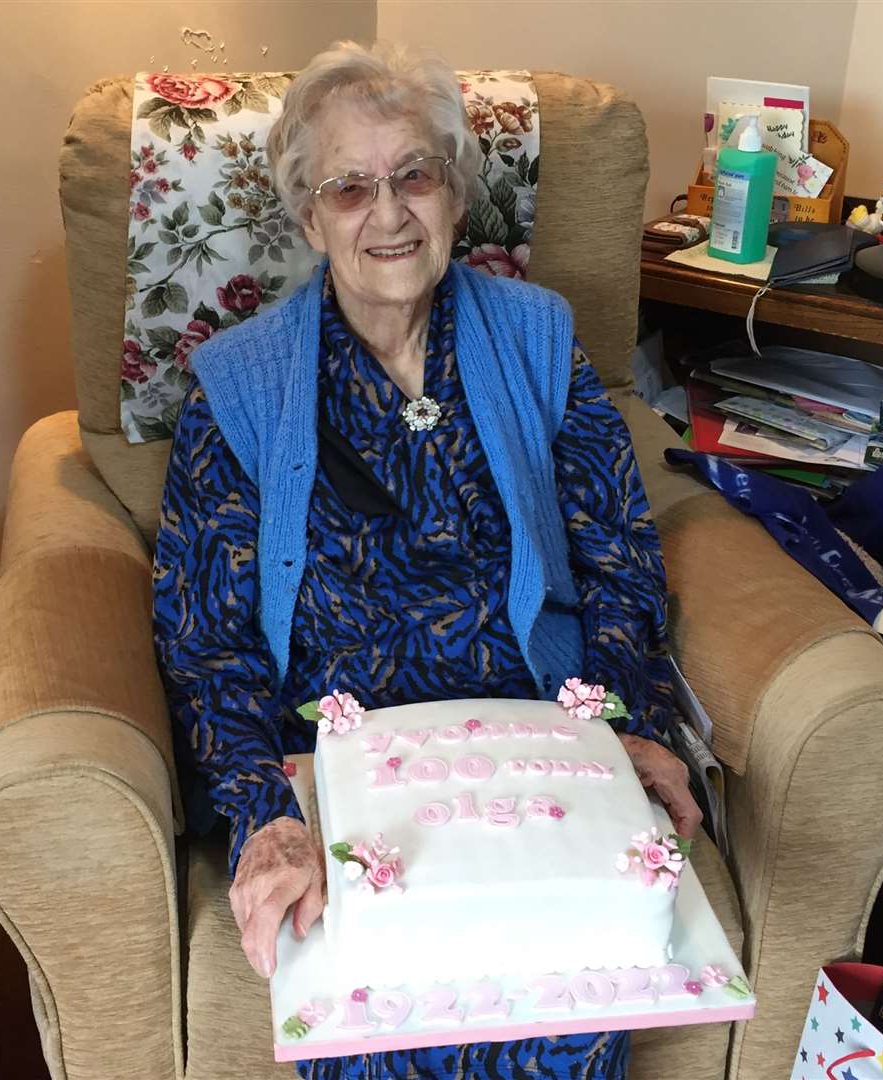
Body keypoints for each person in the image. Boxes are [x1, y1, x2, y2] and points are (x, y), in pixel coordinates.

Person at [153, 39, 701, 1080]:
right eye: (349, 187)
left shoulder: (538, 339)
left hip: (530, 745)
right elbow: (205, 633)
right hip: (342, 765)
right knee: (382, 989)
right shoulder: (240, 385)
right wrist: (267, 816)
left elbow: (619, 553)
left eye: (414, 174)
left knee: (564, 981)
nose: (389, 212)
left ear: (455, 193)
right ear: (310, 219)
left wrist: (622, 730)